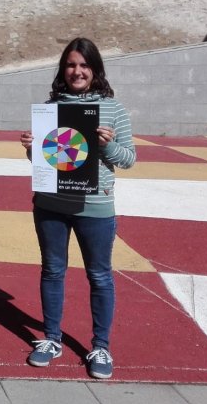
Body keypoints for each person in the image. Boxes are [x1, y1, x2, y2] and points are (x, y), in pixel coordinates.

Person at [20, 37, 136, 379]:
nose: (77, 71)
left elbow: (129, 159)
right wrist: (32, 149)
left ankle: (101, 346)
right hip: (50, 204)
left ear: (95, 70)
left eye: (84, 65)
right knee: (52, 271)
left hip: (95, 205)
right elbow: (46, 162)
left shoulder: (114, 109)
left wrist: (108, 146)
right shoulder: (49, 107)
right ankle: (52, 339)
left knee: (99, 275)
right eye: (71, 65)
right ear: (63, 70)